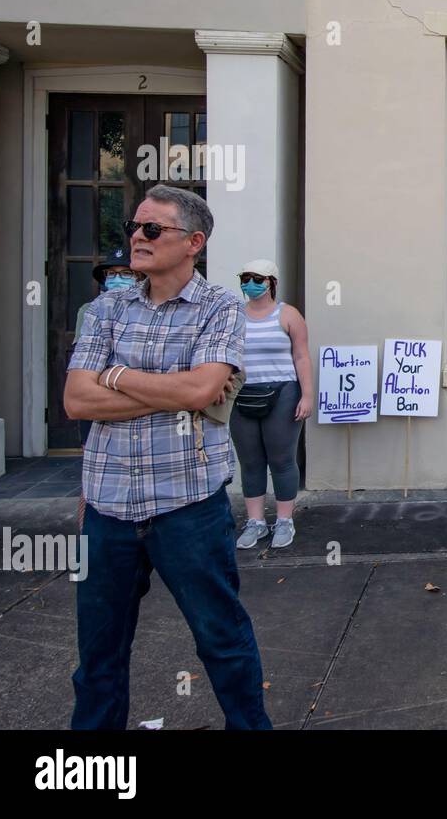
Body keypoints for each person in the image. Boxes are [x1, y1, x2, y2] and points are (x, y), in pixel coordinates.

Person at [63, 183, 271, 729]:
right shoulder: (106, 307)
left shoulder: (221, 308)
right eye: (134, 227)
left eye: (152, 229)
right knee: (98, 656)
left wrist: (116, 378)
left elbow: (200, 393)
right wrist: (171, 391)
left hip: (187, 506)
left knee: (222, 641)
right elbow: (76, 399)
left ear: (193, 242)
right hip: (107, 508)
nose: (137, 236)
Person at [231, 259, 312, 550]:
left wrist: (307, 395)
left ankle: (284, 520)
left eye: (257, 279)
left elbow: (302, 356)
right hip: (243, 394)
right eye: (245, 278)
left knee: (281, 460)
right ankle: (255, 522)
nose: (250, 284)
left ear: (271, 282)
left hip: (283, 393)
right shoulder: (234, 316)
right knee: (250, 461)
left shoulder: (288, 315)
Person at [74, 246, 141, 446]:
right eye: (111, 274)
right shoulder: (89, 311)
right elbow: (84, 365)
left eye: (126, 274)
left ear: (139, 278)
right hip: (100, 396)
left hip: (137, 394)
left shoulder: (149, 311)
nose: (117, 279)